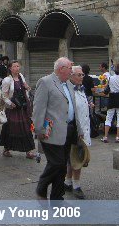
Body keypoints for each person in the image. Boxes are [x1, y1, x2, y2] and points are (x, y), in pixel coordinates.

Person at [33, 57, 77, 200]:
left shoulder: (69, 84)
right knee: (56, 162)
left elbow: (73, 108)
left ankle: (57, 196)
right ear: (61, 69)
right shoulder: (45, 82)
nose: (72, 71)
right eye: (70, 68)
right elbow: (38, 108)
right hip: (50, 130)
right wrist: (38, 129)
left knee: (63, 165)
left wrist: (79, 130)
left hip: (69, 129)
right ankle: (41, 186)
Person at [64, 65, 91, 199]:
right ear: (71, 76)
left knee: (73, 157)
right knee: (77, 157)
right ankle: (76, 185)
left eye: (82, 75)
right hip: (75, 129)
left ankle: (68, 182)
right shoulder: (68, 90)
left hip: (83, 128)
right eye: (79, 75)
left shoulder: (81, 89)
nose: (82, 77)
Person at [0, 60, 35, 159]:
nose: (17, 68)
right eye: (15, 66)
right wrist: (10, 103)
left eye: (18, 66)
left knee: (26, 128)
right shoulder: (7, 80)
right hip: (13, 108)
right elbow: (4, 95)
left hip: (22, 108)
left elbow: (25, 88)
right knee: (11, 128)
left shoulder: (21, 77)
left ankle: (29, 151)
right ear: (10, 68)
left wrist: (27, 88)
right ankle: (7, 149)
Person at [102, 65, 119, 143]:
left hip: (112, 98)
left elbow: (107, 88)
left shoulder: (110, 78)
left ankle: (105, 136)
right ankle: (117, 137)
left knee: (109, 117)